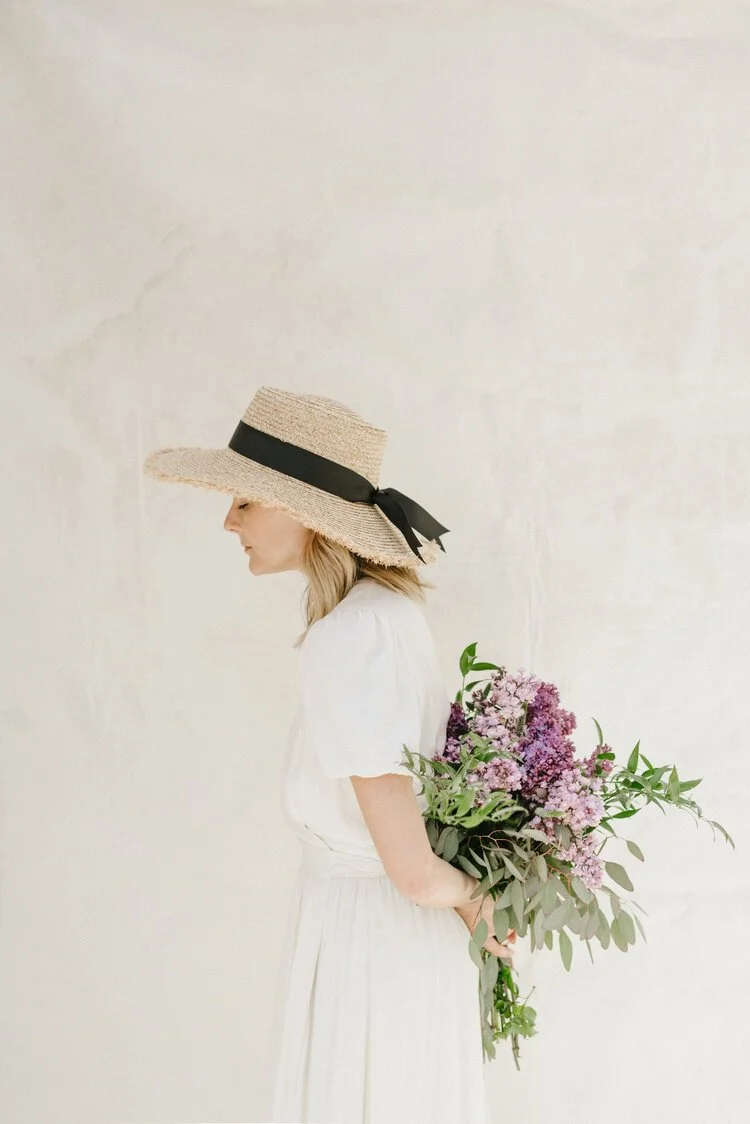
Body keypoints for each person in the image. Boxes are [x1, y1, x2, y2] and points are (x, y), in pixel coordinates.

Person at [143, 386, 516, 1124]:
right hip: (392, 941)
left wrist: (480, 901)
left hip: (370, 942)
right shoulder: (388, 617)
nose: (229, 521)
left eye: (244, 502)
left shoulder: (351, 635)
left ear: (303, 510)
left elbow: (410, 871)